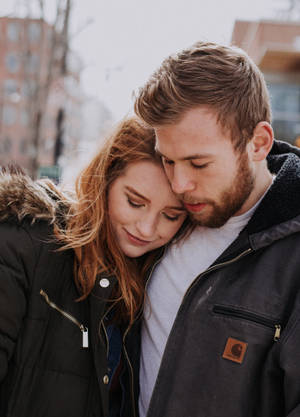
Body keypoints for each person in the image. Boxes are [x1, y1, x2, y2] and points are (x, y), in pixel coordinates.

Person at [126, 42, 300, 417]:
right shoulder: (163, 220)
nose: (179, 183)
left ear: (258, 143)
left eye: (198, 164)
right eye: (168, 160)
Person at [0, 117, 189, 417]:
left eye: (171, 215)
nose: (147, 228)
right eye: (135, 202)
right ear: (105, 177)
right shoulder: (24, 242)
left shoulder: (157, 276)